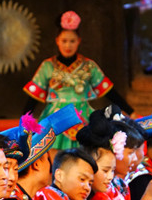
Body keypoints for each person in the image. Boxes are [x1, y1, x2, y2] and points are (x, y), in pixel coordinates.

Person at [23, 10, 132, 155]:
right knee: (55, 159)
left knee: (86, 156)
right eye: (64, 41)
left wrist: (131, 111)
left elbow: (109, 92)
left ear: (79, 41)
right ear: (57, 41)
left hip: (83, 117)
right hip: (55, 117)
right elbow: (33, 97)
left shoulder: (89, 66)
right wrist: (24, 121)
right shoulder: (47, 66)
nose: (68, 45)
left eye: (72, 41)